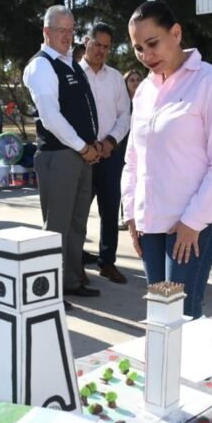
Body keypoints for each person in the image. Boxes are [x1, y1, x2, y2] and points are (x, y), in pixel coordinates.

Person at [123, 1, 212, 319]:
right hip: (150, 222)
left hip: (195, 221)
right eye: (138, 48)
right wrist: (130, 213)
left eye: (152, 43)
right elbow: (133, 158)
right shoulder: (144, 91)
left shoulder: (211, 82)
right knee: (160, 315)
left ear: (176, 33)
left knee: (182, 316)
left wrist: (192, 221)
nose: (146, 55)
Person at [23, 5, 102, 302]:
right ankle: (49, 293)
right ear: (46, 32)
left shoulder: (69, 63)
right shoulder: (42, 66)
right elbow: (51, 118)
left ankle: (70, 281)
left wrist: (90, 147)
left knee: (76, 225)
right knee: (56, 228)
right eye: (61, 31)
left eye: (71, 31)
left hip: (81, 155)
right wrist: (83, 147)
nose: (67, 37)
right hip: (60, 156)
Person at [80, 23, 131, 284]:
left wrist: (109, 142)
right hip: (81, 155)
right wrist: (87, 146)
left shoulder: (115, 78)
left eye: (106, 47)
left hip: (110, 155)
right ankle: (76, 263)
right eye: (97, 44)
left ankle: (107, 262)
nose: (101, 50)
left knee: (110, 210)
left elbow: (125, 115)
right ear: (86, 41)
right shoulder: (73, 74)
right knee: (77, 212)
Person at [118, 69, 143, 232]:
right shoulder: (122, 103)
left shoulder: (146, 100)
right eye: (131, 80)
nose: (135, 83)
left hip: (140, 147)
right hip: (123, 146)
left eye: (138, 79)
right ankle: (125, 216)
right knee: (126, 181)